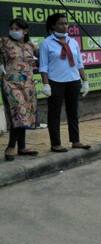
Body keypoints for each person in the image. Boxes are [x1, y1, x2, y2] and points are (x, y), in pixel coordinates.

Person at [39, 13, 90, 153]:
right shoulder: (46, 43)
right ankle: (55, 144)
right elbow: (43, 66)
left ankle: (76, 141)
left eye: (66, 23)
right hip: (55, 82)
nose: (65, 26)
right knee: (54, 114)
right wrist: (45, 84)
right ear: (53, 26)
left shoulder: (73, 42)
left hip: (73, 81)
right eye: (61, 23)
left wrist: (85, 81)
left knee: (73, 112)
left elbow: (79, 64)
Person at [0, 18, 38, 161]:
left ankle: (22, 147)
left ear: (25, 31)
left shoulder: (30, 45)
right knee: (19, 111)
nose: (13, 31)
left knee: (26, 113)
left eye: (17, 29)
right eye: (12, 28)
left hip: (28, 84)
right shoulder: (4, 41)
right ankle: (10, 147)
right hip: (11, 83)